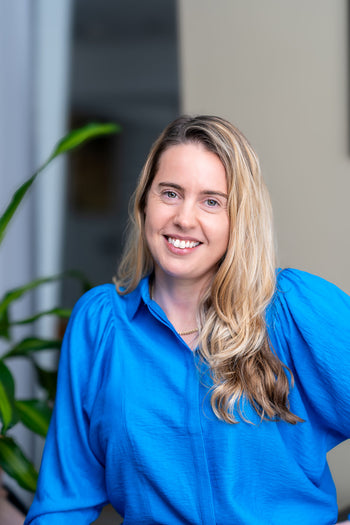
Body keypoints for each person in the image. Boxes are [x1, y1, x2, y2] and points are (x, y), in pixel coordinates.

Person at [25, 115, 350, 524]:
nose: (184, 218)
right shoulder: (101, 324)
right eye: (170, 193)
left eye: (212, 201)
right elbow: (64, 503)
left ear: (239, 219)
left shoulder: (293, 309)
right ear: (145, 202)